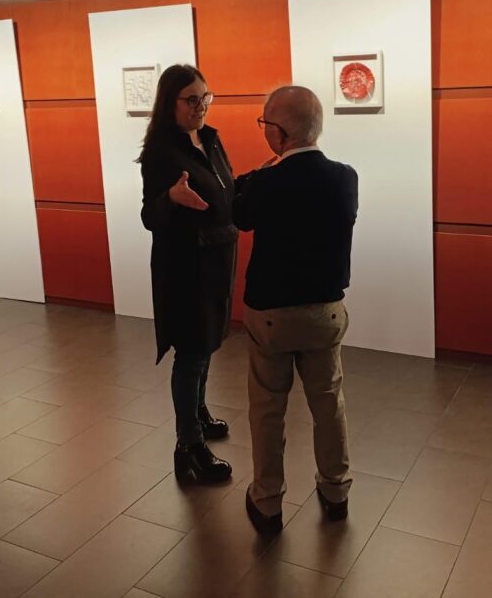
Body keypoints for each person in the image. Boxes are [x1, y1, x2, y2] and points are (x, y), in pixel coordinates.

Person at [233, 85, 358, 537]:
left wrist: (255, 175)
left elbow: (239, 214)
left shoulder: (266, 183)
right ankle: (336, 491)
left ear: (279, 133)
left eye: (265, 124)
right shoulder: (345, 177)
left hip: (272, 316)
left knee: (268, 409)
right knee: (328, 402)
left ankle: (267, 501)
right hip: (326, 312)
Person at [139, 64, 236, 485]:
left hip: (217, 259)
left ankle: (198, 411)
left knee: (208, 342)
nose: (201, 107)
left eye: (205, 97)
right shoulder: (161, 152)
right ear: (170, 104)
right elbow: (149, 215)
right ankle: (189, 445)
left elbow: (225, 189)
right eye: (191, 100)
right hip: (185, 266)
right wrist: (170, 197)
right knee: (192, 351)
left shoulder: (209, 138)